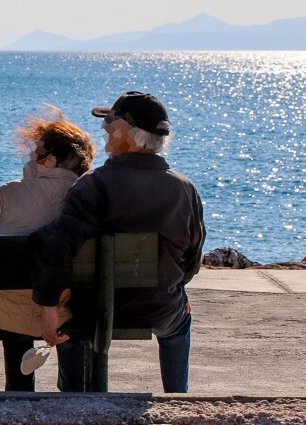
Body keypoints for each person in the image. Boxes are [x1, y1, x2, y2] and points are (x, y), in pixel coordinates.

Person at [28, 91, 205, 393]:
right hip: (161, 306)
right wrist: (176, 289)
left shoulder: (93, 185)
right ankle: (177, 396)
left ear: (125, 132)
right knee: (180, 320)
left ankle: (73, 396)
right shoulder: (185, 189)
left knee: (71, 320)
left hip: (98, 310)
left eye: (110, 123)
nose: (104, 129)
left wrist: (49, 307)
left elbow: (57, 246)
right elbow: (192, 258)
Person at [0, 107, 97, 391]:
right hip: (59, 305)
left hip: (4, 302)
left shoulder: (11, 192)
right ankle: (22, 391)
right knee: (19, 310)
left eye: (34, 152)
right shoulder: (89, 196)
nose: (29, 157)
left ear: (51, 159)